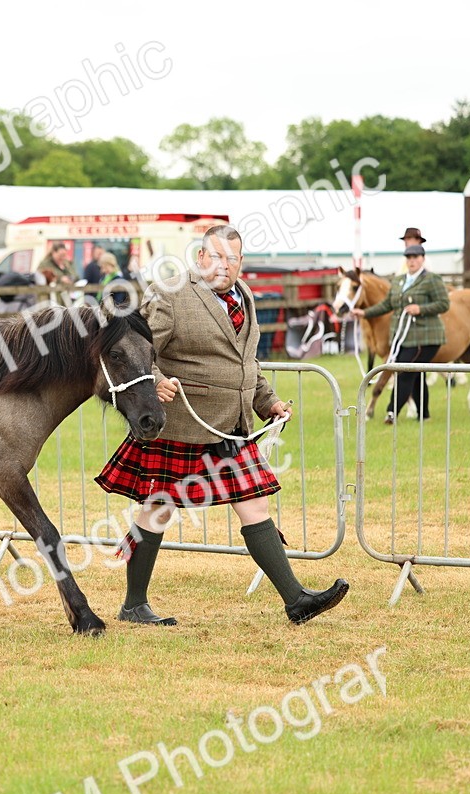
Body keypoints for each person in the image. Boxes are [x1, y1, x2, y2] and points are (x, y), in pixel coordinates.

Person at [95, 224, 349, 626]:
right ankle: (133, 605)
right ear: (200, 258)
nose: (223, 266)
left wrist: (268, 403)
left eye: (232, 259)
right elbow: (139, 353)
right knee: (157, 510)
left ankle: (296, 600)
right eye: (215, 257)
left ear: (240, 262)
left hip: (231, 426)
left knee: (254, 503)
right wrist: (157, 382)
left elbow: (246, 363)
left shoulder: (243, 295)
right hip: (182, 424)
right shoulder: (172, 295)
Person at [351, 244, 449, 423]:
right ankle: (424, 414)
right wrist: (364, 313)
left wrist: (421, 308)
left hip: (424, 337)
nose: (412, 261)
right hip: (403, 337)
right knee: (417, 374)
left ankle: (391, 412)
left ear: (422, 259)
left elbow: (444, 304)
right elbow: (387, 305)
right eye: (409, 258)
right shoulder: (399, 281)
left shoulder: (432, 280)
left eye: (416, 257)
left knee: (404, 371)